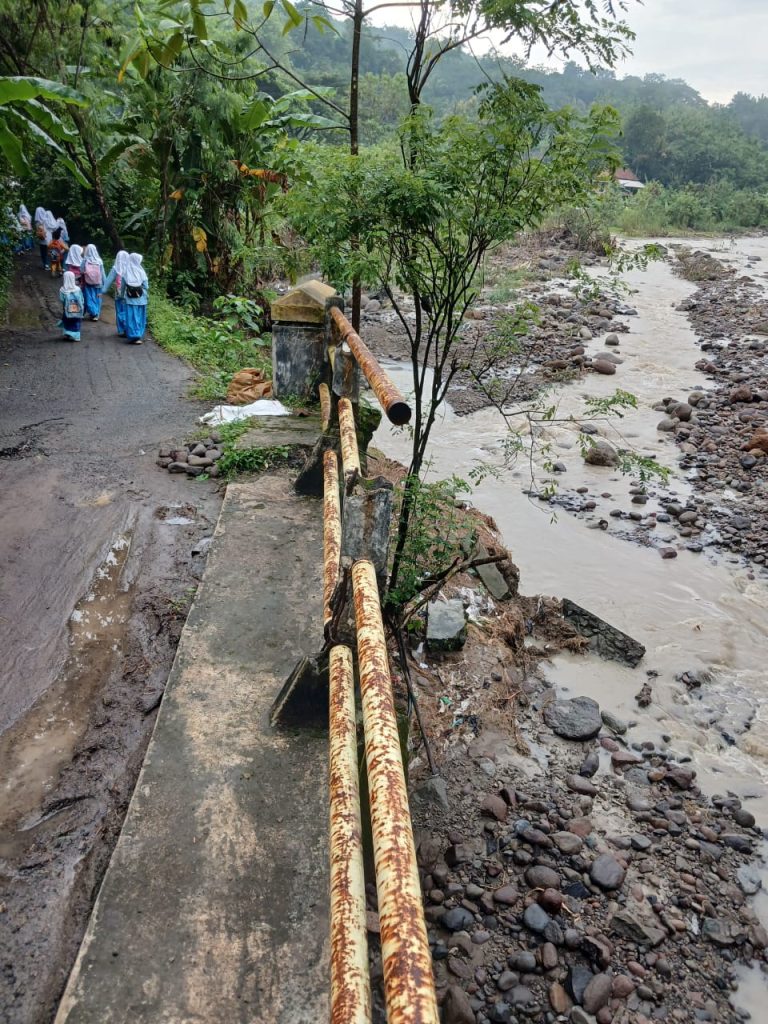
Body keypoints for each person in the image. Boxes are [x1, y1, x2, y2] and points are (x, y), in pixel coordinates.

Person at [102, 250, 129, 337]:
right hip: (129, 295)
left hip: (118, 294)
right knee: (127, 310)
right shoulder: (131, 267)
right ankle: (128, 328)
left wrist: (103, 291)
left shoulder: (115, 268)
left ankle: (121, 330)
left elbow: (108, 280)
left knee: (119, 310)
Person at [123, 252, 149, 344]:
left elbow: (123, 287)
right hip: (141, 299)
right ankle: (138, 335)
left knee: (131, 318)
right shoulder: (142, 272)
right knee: (140, 317)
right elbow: (146, 286)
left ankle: (133, 335)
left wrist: (122, 296)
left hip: (130, 300)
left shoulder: (126, 271)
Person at [81, 243, 105, 320]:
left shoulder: (85, 260)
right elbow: (103, 273)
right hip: (99, 284)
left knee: (89, 298)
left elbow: (81, 270)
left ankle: (93, 312)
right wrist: (105, 283)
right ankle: (96, 314)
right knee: (98, 298)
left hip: (88, 283)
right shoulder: (99, 261)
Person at [58, 270, 84, 342]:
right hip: (77, 309)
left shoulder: (62, 290)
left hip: (67, 309)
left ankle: (67, 334)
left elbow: (62, 300)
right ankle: (77, 336)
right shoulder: (78, 289)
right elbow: (82, 299)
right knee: (76, 321)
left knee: (67, 321)